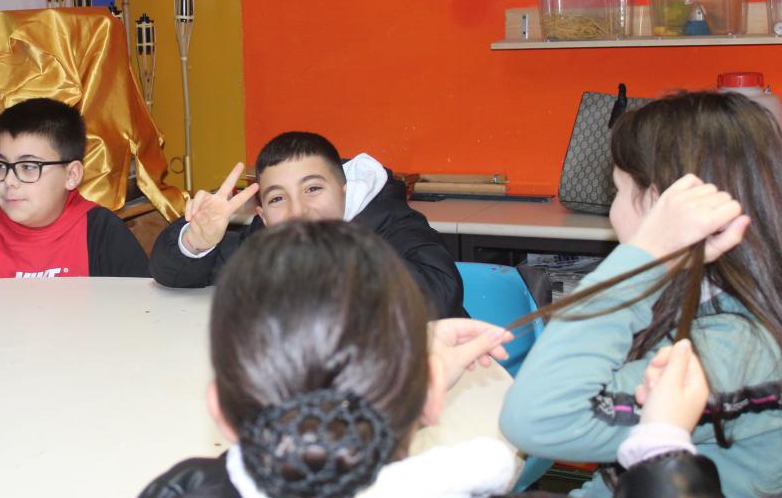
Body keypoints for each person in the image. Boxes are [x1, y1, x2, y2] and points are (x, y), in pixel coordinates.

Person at [138, 221, 726, 498]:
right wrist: (663, 447)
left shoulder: (181, 489)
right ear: (432, 403)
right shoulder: (470, 473)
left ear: (220, 410)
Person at [500, 91, 782, 497]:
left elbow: (537, 419)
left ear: (658, 202)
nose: (613, 211)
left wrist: (644, 256)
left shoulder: (736, 345)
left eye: (617, 190)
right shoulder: (708, 298)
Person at [149, 131, 464, 318]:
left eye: (312, 189)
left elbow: (441, 292)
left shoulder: (390, 221)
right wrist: (197, 240)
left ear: (344, 192)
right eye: (277, 198)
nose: (297, 210)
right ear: (263, 216)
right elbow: (175, 275)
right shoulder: (267, 239)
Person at [0, 98, 148, 281]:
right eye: (1, 166)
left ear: (71, 175)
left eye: (28, 167)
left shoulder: (101, 232)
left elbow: (144, 313)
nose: (9, 181)